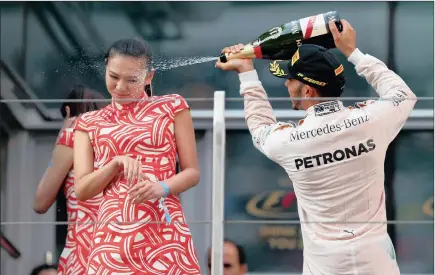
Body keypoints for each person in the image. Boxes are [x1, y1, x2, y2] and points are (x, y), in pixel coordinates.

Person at [216, 19, 416, 275]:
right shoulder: (371, 120)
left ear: (308, 91)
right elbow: (402, 94)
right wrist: (353, 52)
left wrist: (247, 73)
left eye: (290, 80)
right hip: (376, 259)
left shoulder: (290, 141)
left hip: (325, 263)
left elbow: (259, 127)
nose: (286, 85)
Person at [73, 37, 201, 274]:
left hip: (163, 232)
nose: (120, 87)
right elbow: (81, 190)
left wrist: (161, 187)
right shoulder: (88, 123)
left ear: (149, 77)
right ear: (105, 69)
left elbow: (192, 173)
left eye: (131, 80)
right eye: (113, 77)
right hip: (112, 240)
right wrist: (115, 164)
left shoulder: (172, 107)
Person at [33, 85, 107, 274]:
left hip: (84, 255)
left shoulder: (72, 137)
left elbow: (40, 203)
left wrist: (61, 140)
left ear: (68, 112)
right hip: (120, 253)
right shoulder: (119, 144)